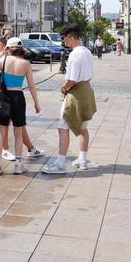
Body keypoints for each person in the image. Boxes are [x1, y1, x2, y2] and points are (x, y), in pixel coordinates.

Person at [42, 24, 97, 174]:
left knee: (63, 127)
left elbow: (72, 79)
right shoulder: (87, 51)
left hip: (75, 93)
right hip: (86, 91)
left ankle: (60, 163)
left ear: (70, 37)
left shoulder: (74, 54)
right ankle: (82, 159)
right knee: (83, 128)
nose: (63, 41)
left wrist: (64, 88)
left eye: (64, 38)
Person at [0, 37, 41, 176]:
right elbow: (32, 86)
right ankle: (17, 165)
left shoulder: (3, 59)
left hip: (3, 97)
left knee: (1, 133)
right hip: (18, 97)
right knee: (18, 132)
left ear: (8, 48)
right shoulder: (26, 63)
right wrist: (36, 103)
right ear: (21, 49)